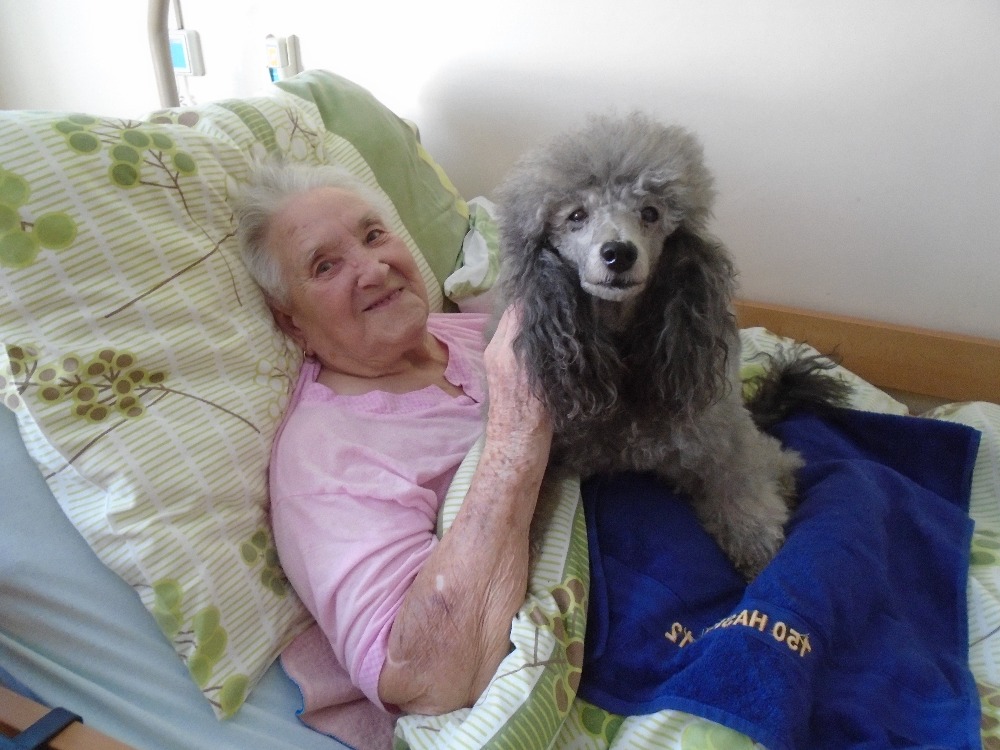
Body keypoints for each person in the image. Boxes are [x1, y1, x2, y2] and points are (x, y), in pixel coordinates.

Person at [234, 161, 552, 717]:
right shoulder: (326, 458)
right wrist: (518, 430)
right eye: (325, 265)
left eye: (374, 235)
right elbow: (423, 680)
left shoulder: (472, 334)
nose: (374, 269)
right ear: (292, 322)